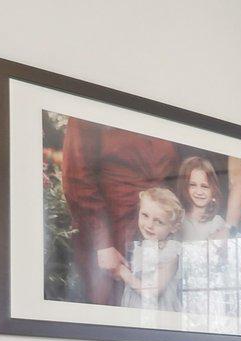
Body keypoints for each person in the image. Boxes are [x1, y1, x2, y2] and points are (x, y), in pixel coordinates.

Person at [59, 117, 181, 304]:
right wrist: (101, 242)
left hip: (155, 239)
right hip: (112, 236)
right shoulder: (89, 114)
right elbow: (76, 175)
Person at [112, 187, 184, 312]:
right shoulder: (139, 248)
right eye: (145, 215)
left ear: (173, 227)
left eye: (159, 222)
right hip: (134, 312)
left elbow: (153, 291)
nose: (149, 225)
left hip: (160, 318)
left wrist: (124, 273)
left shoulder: (171, 252)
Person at [176, 155, 230, 244]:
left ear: (213, 190)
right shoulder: (178, 220)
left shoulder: (216, 222)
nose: (199, 192)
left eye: (204, 186)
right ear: (184, 187)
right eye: (192, 185)